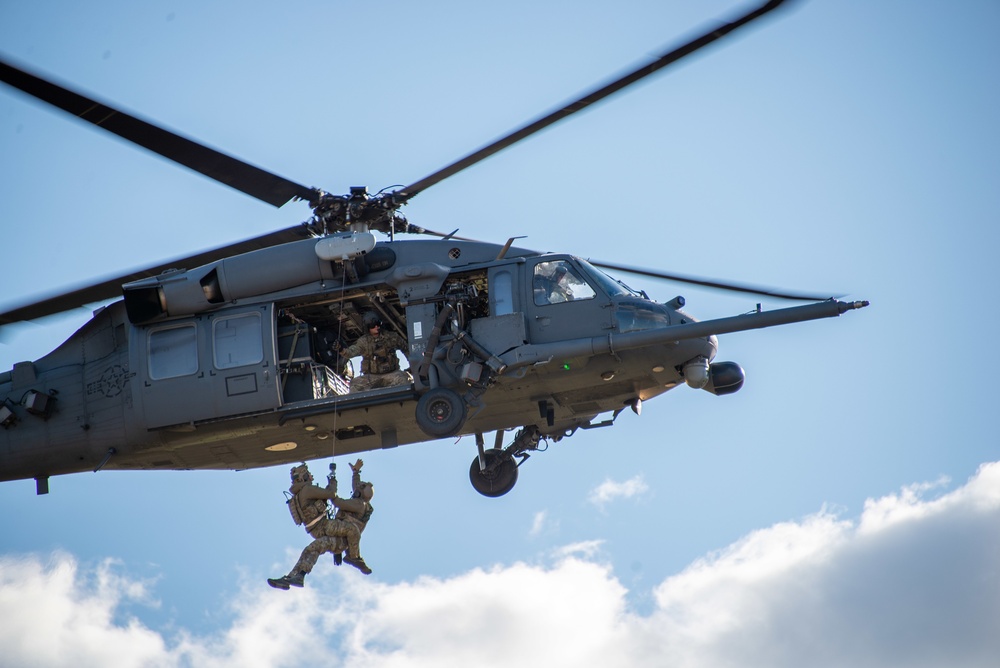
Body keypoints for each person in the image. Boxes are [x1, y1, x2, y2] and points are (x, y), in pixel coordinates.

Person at [267, 461, 372, 590]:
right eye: (309, 474)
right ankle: (354, 557)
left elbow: (341, 494)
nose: (311, 476)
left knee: (313, 548)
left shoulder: (301, 492)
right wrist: (333, 481)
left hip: (318, 530)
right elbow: (332, 494)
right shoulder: (308, 490)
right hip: (324, 526)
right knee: (352, 529)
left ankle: (296, 576)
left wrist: (354, 473)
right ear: (303, 477)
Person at [340, 311, 410, 393]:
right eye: (373, 325)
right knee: (355, 385)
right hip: (371, 377)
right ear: (368, 327)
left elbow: (406, 348)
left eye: (378, 323)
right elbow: (350, 353)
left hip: (392, 374)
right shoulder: (363, 342)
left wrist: (413, 365)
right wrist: (341, 349)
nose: (376, 327)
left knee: (404, 379)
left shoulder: (391, 337)